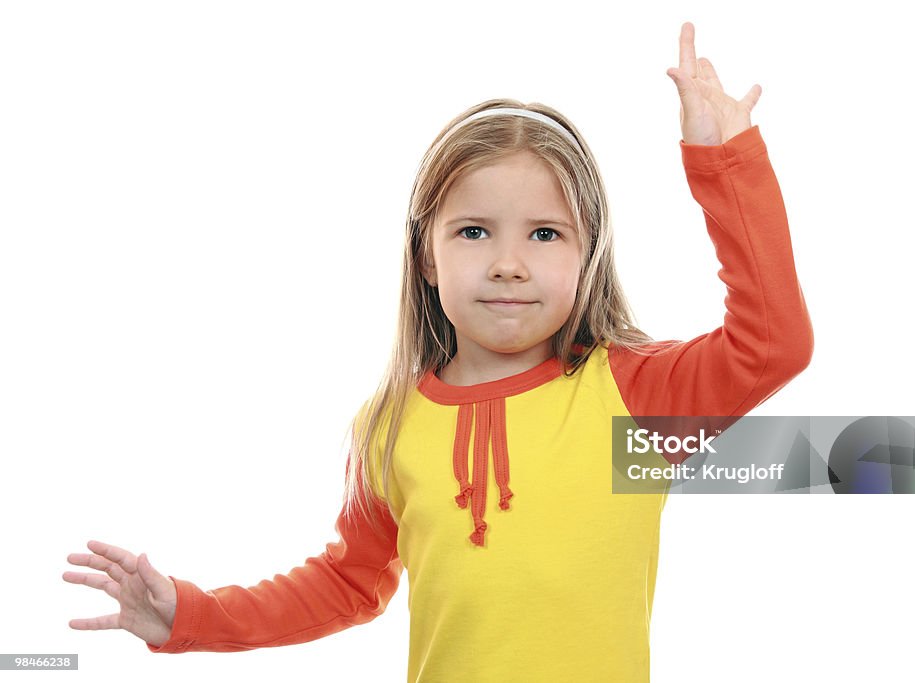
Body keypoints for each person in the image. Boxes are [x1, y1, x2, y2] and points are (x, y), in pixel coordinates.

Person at [63, 21, 812, 682]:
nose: (508, 262)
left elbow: (773, 342)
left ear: (587, 255)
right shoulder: (389, 423)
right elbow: (347, 584)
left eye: (544, 233)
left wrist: (725, 162)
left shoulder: (630, 397)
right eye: (474, 230)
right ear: (426, 254)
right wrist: (189, 615)